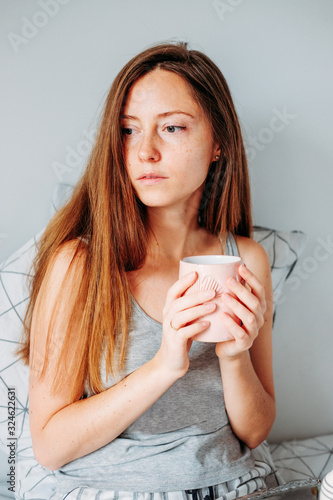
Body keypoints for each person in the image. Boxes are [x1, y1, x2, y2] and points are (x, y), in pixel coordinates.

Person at [19, 41, 276, 500]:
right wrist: (165, 364)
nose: (145, 152)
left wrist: (234, 358)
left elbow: (255, 433)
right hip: (110, 488)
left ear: (218, 144)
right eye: (128, 131)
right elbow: (50, 447)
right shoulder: (80, 265)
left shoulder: (245, 259)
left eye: (172, 127)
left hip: (233, 483)